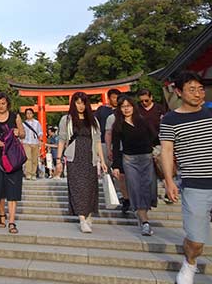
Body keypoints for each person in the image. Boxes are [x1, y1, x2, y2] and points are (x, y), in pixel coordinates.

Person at [160, 71, 212, 284]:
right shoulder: (170, 119)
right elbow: (167, 151)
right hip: (195, 186)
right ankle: (190, 262)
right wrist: (169, 181)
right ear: (179, 92)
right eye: (192, 89)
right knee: (197, 242)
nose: (198, 94)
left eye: (201, 89)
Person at [56, 92, 108, 233]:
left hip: (90, 156)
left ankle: (88, 214)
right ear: (73, 103)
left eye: (83, 103)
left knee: (90, 187)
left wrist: (102, 161)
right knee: (77, 187)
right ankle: (82, 219)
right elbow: (62, 139)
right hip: (74, 156)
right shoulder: (66, 120)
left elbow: (97, 142)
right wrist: (58, 159)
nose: (81, 106)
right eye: (78, 103)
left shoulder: (93, 120)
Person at [111, 95, 156, 236]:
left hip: (147, 158)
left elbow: (155, 137)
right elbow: (116, 147)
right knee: (135, 188)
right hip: (129, 160)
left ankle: (144, 214)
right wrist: (116, 166)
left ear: (133, 107)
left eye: (128, 106)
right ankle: (144, 221)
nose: (126, 109)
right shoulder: (118, 125)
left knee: (148, 187)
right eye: (123, 107)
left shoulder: (143, 121)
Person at [0, 92, 25, 234]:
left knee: (13, 188)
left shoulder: (15, 116)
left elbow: (23, 133)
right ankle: (2, 214)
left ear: (7, 104)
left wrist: (18, 132)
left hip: (12, 156)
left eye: (3, 103)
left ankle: (12, 222)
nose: (1, 106)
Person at [22, 108, 43, 180]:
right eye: (27, 113)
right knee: (28, 158)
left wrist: (40, 139)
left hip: (35, 142)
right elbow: (22, 133)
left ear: (33, 114)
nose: (29, 115)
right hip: (26, 142)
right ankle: (28, 174)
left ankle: (34, 174)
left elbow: (40, 132)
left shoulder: (37, 123)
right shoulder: (23, 124)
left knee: (34, 159)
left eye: (30, 113)